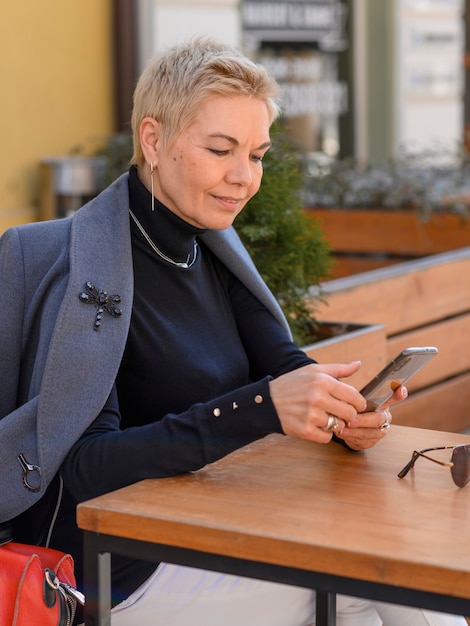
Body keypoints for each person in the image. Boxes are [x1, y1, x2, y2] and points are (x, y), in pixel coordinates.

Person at [0, 36, 465, 626]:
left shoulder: (212, 247)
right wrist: (264, 407)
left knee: (386, 591)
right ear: (153, 139)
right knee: (396, 581)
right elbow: (83, 468)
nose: (244, 177)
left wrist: (342, 412)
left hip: (216, 525)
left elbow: (284, 365)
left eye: (258, 154)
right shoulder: (84, 267)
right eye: (222, 149)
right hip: (112, 572)